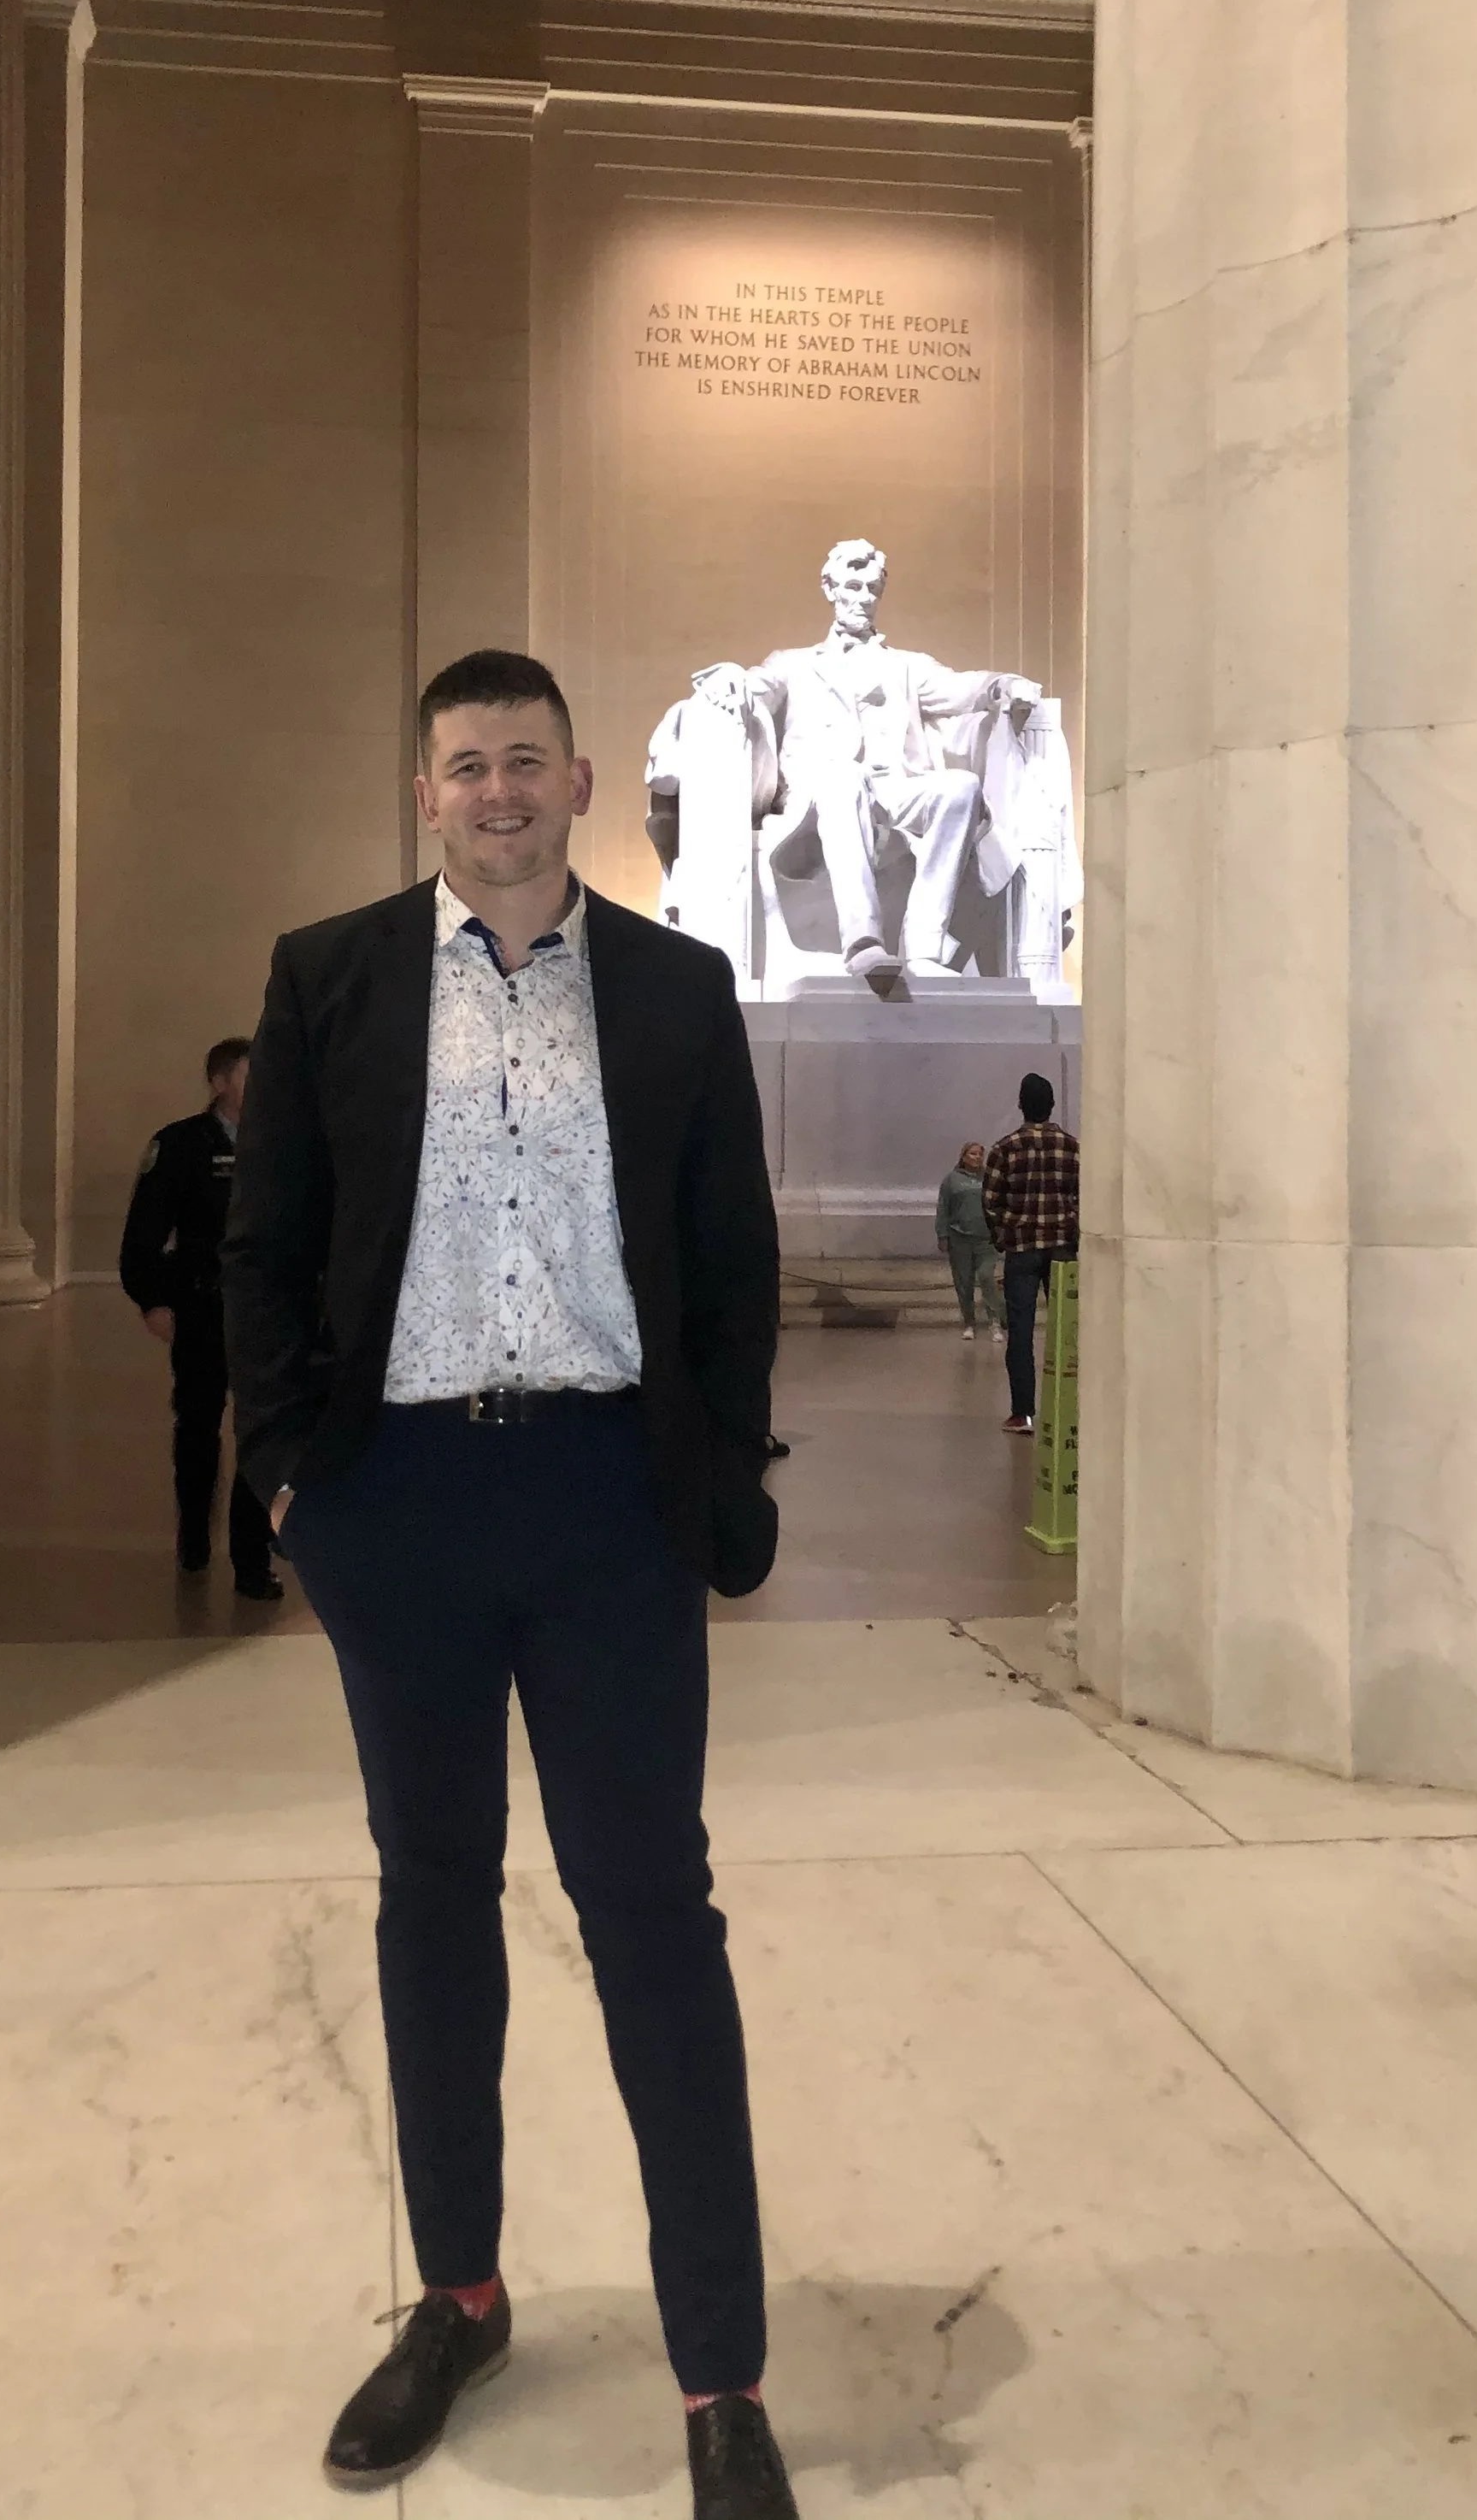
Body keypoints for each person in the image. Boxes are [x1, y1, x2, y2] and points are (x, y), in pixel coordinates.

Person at [224, 648, 798, 2520]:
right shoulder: (332, 975)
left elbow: (729, 1258)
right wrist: (293, 1473)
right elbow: (272, 1238)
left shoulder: (673, 986)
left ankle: (718, 2373)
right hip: (396, 1498)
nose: (493, 792)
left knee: (652, 1919)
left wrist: (715, 1476)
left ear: (575, 785)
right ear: (423, 791)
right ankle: (458, 2294)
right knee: (430, 1898)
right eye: (462, 765)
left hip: (602, 1499)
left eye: (524, 763)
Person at [680, 538, 1038, 979]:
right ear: (830, 589)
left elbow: (961, 688)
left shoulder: (908, 665)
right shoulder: (793, 663)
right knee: (844, 777)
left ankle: (925, 946)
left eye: (873, 589)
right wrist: (733, 675)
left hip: (893, 792)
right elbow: (759, 686)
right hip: (820, 797)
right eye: (854, 586)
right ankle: (863, 941)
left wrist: (1002, 685)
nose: (864, 598)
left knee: (960, 788)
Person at [118, 1036, 282, 1600]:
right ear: (218, 1081)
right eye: (246, 1072)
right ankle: (194, 1530)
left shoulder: (286, 1140)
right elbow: (143, 1233)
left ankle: (252, 1556)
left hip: (267, 1311)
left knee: (260, 1432)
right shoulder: (181, 1144)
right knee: (198, 1426)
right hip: (202, 1307)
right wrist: (153, 1299)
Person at [980, 1072, 1080, 1437]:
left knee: (1020, 1334)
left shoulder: (1004, 1148)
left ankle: (1023, 1414)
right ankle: (1070, 1407)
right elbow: (1085, 1199)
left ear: (1020, 1105)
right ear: (1052, 1106)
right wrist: (1070, 1226)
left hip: (1022, 1251)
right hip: (1063, 1249)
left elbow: (990, 1202)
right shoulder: (1073, 1147)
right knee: (1067, 1331)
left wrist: (1006, 1233)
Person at [934, 1142, 1002, 1339]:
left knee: (987, 1277)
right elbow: (943, 1208)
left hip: (986, 1238)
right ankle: (969, 1322)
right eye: (972, 1154)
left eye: (980, 1154)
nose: (977, 1158)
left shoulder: (989, 1178)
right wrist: (942, 1235)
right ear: (963, 1156)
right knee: (964, 1282)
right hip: (959, 1238)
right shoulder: (951, 1180)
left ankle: (995, 1322)